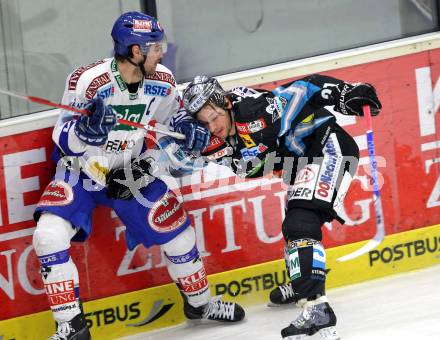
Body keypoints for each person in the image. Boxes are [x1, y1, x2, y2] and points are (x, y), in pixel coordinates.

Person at [32, 12, 245, 340]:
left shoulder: (163, 79)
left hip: (130, 170)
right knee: (48, 236)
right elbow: (62, 135)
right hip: (83, 168)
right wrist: (86, 132)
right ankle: (71, 327)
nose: (162, 52)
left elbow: (172, 118)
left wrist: (188, 128)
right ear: (134, 51)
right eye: (155, 47)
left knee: (180, 238)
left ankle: (200, 305)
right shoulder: (88, 80)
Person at [182, 74, 381, 339]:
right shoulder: (206, 139)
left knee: (299, 223)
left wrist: (346, 94)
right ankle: (304, 283)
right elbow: (172, 159)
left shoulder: (255, 109)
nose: (211, 125)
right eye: (203, 121)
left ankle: (317, 311)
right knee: (297, 227)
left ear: (226, 103)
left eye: (214, 116)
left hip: (328, 148)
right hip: (301, 165)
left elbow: (304, 89)